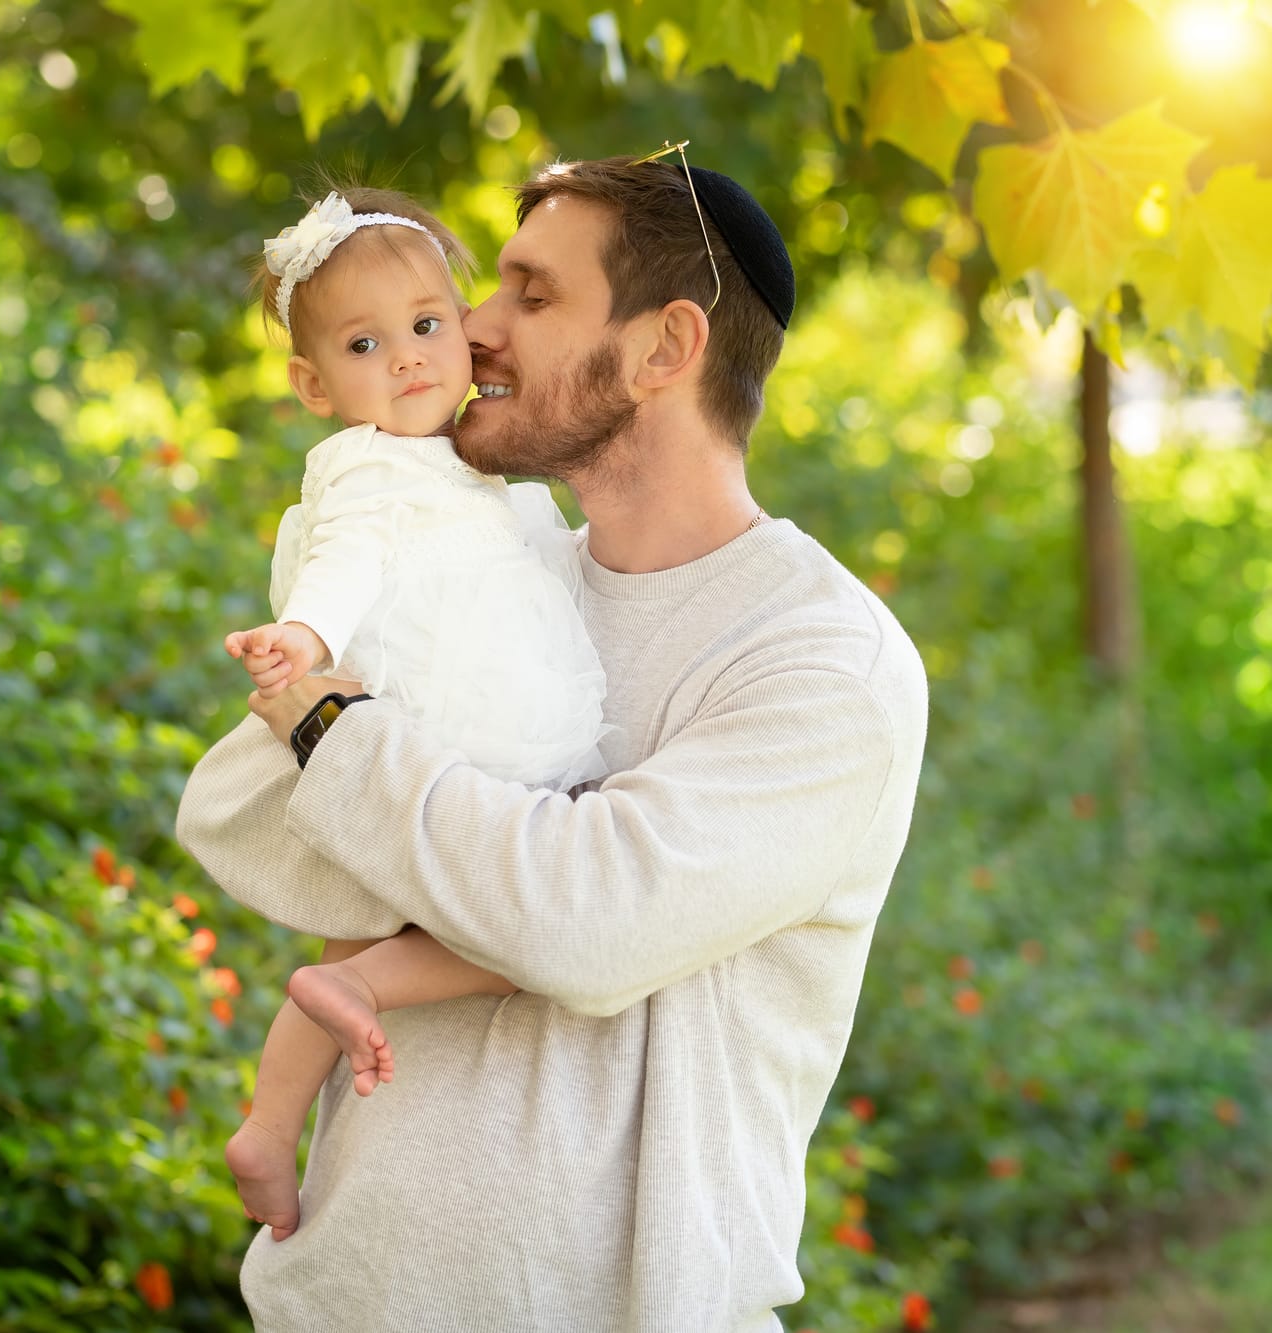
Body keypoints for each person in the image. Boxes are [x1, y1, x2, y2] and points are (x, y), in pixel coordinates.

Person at [176, 146, 928, 1331]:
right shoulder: (495, 582)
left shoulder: (821, 661)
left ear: (663, 349)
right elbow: (241, 815)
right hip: (341, 1299)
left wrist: (336, 728)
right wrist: (363, 758)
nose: (469, 327)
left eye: (530, 295)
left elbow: (584, 920)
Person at [216, 185, 613, 1243]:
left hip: (472, 718)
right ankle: (365, 995)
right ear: (311, 384)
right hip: (456, 727)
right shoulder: (363, 466)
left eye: (427, 325)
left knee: (354, 929)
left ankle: (266, 1125)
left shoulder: (472, 453)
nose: (407, 358)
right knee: (530, 915)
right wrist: (300, 637)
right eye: (364, 343)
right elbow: (344, 559)